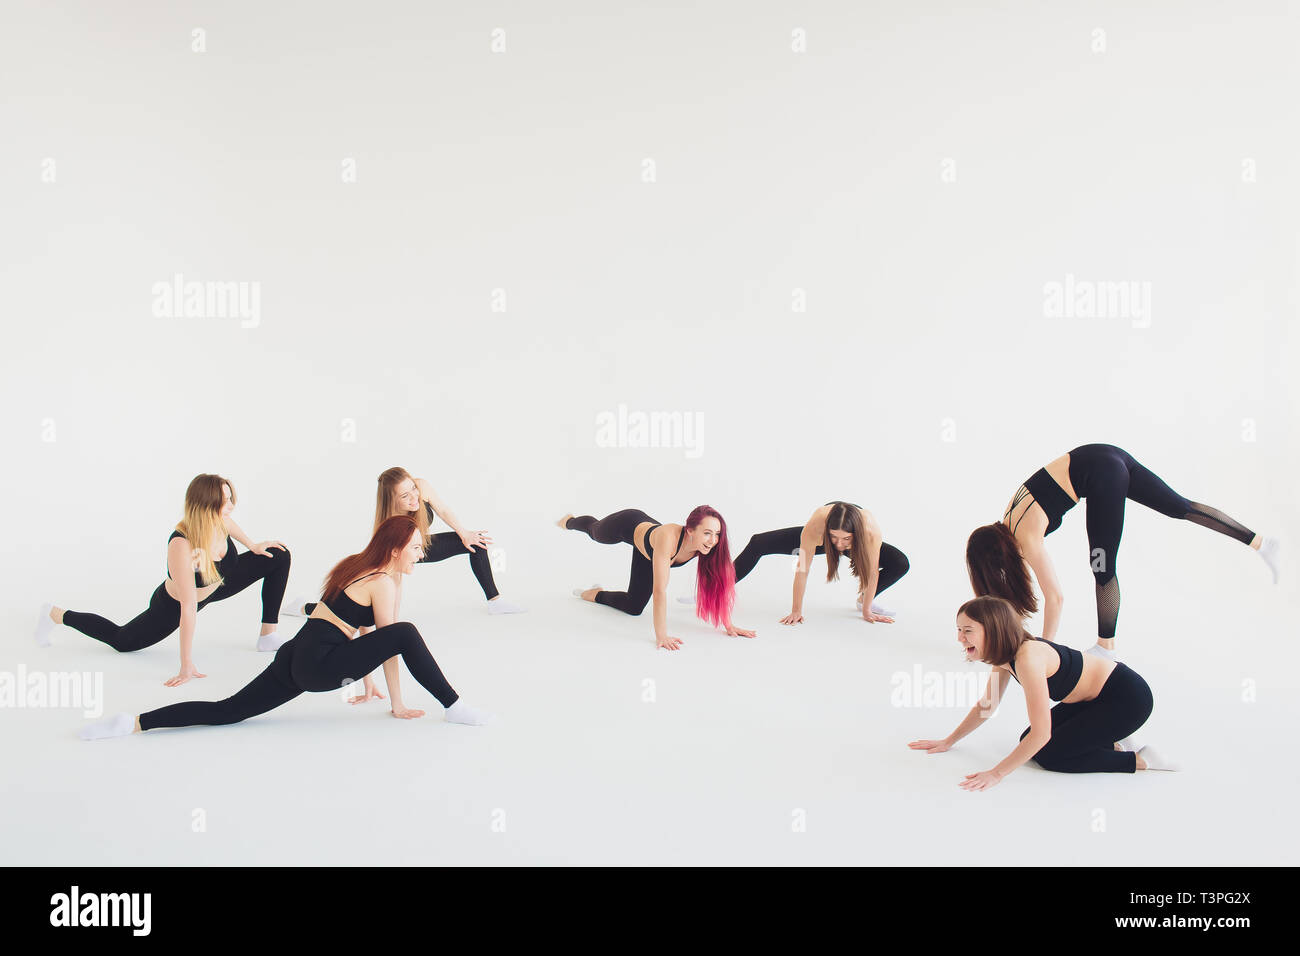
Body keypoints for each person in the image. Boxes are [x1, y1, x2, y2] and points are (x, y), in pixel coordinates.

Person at [77, 515, 491, 739]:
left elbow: (367, 636)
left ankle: (133, 723)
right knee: (406, 632)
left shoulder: (356, 566)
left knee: (228, 710)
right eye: (416, 548)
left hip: (297, 654)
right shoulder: (383, 582)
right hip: (320, 666)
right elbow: (390, 643)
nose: (420, 554)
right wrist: (396, 703)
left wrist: (370, 686)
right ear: (396, 549)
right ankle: (453, 706)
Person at [966, 443, 1278, 657]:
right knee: (1180, 507)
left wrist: (1044, 648)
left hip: (1103, 476)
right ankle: (1261, 543)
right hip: (1107, 454)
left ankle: (1105, 648)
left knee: (1102, 566)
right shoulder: (1008, 515)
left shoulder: (1026, 536)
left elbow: (1056, 598)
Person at [37, 474, 291, 686]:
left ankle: (267, 636)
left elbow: (228, 523)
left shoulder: (219, 518)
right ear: (205, 505)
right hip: (175, 605)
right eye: (224, 501)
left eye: (230, 498)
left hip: (220, 582)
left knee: (278, 555)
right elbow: (188, 607)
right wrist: (186, 664)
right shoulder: (182, 544)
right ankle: (55, 614)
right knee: (121, 640)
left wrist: (252, 545)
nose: (231, 505)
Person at [908, 595, 1178, 788]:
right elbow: (987, 706)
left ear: (994, 631)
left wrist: (996, 774)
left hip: (1127, 700)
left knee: (1050, 754)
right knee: (1027, 740)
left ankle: (1140, 760)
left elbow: (1042, 734)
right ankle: (1114, 741)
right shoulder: (1003, 656)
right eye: (958, 630)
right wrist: (948, 741)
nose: (959, 638)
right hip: (1094, 701)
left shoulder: (1028, 658)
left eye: (967, 630)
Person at [287, 466, 523, 617]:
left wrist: (464, 533)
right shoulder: (391, 522)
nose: (413, 497)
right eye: (405, 496)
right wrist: (392, 617)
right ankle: (305, 608)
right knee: (359, 606)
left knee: (475, 543)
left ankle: (495, 601)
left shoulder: (421, 486)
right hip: (396, 553)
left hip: (421, 545)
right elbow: (397, 575)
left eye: (412, 489)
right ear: (392, 500)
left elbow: (442, 509)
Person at [560, 505, 754, 650]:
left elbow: (717, 584)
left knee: (634, 607)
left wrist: (729, 625)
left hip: (648, 552)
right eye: (707, 533)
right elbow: (659, 590)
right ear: (690, 530)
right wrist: (662, 636)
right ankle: (569, 521)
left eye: (717, 534)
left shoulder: (706, 548)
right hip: (626, 524)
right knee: (595, 531)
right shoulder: (668, 538)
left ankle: (595, 594)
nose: (713, 540)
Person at [726, 501, 909, 625]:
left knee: (900, 562)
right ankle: (717, 587)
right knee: (758, 543)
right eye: (835, 537)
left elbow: (872, 573)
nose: (839, 544)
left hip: (856, 544)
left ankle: (862, 600)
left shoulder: (870, 532)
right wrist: (796, 610)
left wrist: (867, 610)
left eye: (845, 538)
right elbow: (802, 571)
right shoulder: (816, 527)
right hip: (823, 541)